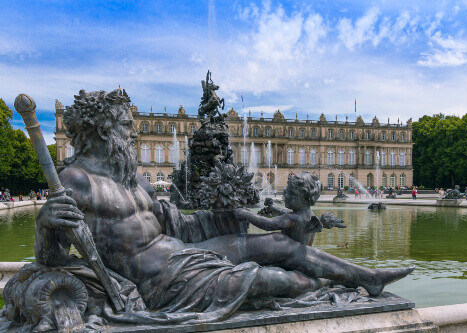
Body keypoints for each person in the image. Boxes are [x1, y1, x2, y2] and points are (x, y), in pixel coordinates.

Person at [36, 89, 413, 319]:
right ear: (103, 130)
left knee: (282, 245)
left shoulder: (133, 177)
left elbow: (176, 225)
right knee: (268, 278)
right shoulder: (76, 180)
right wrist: (45, 225)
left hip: (183, 251)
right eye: (126, 124)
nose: (133, 130)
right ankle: (317, 288)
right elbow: (52, 259)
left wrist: (227, 215)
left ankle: (368, 279)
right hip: (160, 279)